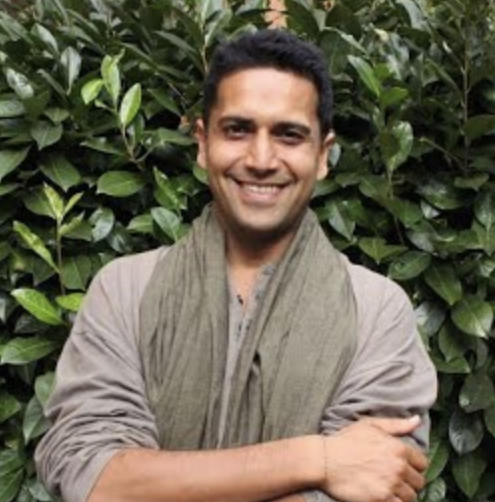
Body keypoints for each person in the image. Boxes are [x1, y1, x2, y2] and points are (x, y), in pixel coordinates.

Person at [35, 30, 437, 502]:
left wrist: (155, 483)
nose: (261, 159)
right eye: (238, 130)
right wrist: (316, 459)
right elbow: (95, 477)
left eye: (289, 134)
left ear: (322, 155)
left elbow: (376, 483)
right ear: (203, 142)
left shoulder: (376, 312)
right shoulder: (124, 290)